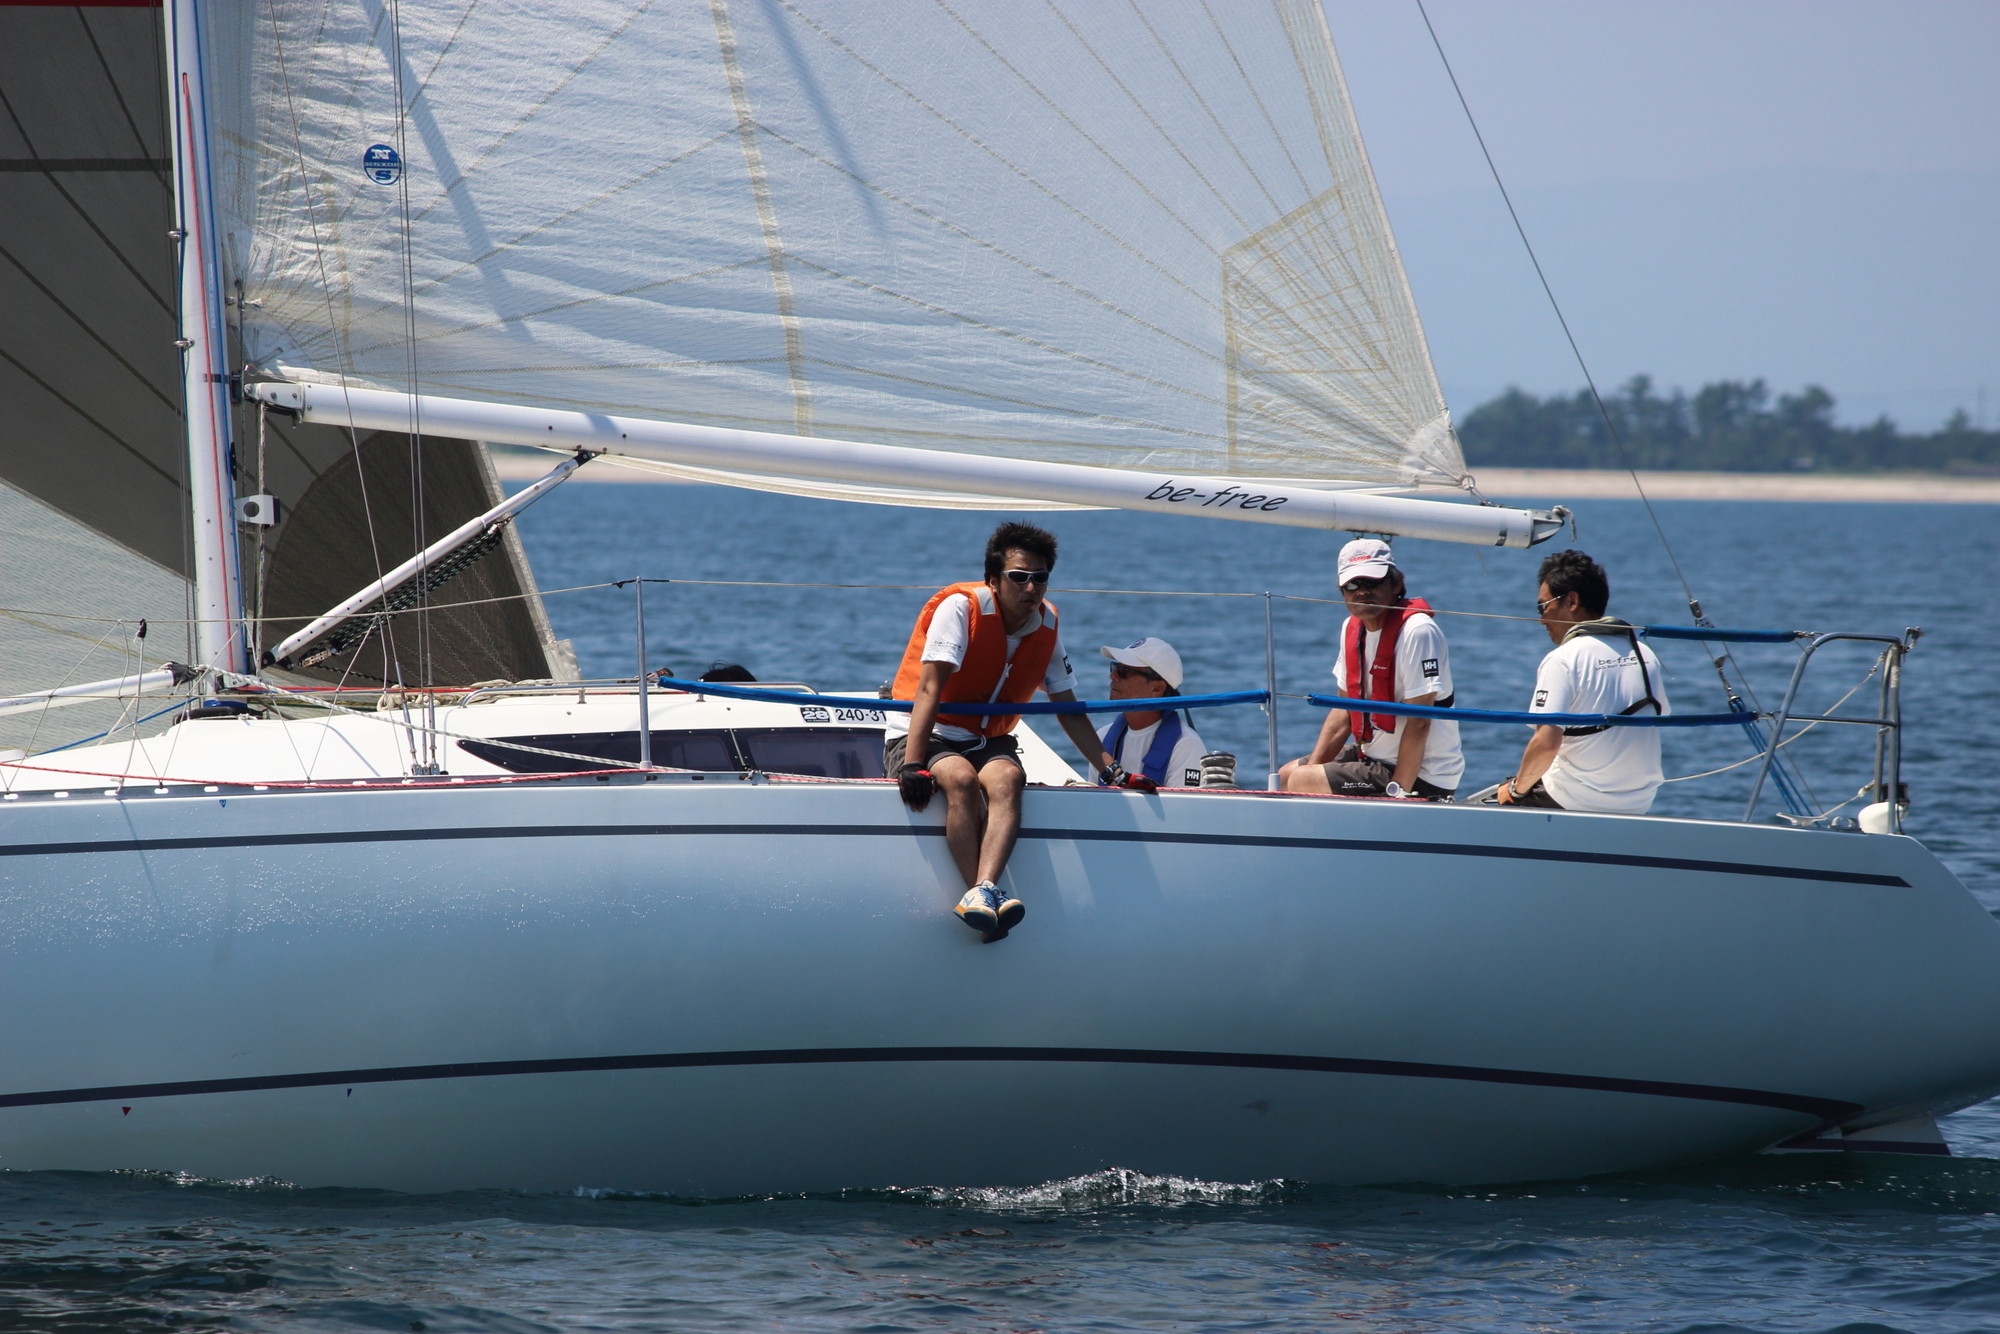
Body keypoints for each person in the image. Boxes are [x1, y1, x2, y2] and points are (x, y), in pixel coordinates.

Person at [886, 522, 1129, 942]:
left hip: (986, 739)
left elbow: (1068, 708)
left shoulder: (1047, 625)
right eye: (1019, 577)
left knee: (1009, 779)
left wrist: (1112, 770)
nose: (1031, 587)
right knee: (961, 780)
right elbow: (928, 689)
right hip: (923, 732)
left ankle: (983, 891)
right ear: (993, 579)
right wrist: (912, 764)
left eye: (1040, 578)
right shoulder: (960, 609)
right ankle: (979, 894)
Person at [1278, 537, 1462, 800]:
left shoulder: (1418, 631)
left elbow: (1420, 721)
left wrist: (1399, 793)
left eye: (1372, 582)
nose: (1362, 591)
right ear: (1342, 591)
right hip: (1374, 756)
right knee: (1288, 775)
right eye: (1352, 584)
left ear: (1396, 584)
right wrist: (1313, 767)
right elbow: (1344, 710)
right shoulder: (1350, 628)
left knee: (1303, 780)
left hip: (1424, 774)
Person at [1497, 549, 1671, 814]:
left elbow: (1546, 745)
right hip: (1638, 801)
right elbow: (1661, 715)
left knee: (1504, 795)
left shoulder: (1563, 659)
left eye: (1543, 606)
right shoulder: (1644, 653)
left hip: (1575, 799)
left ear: (1572, 601)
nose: (1541, 620)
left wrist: (1514, 790)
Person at [1098, 637, 1207, 789]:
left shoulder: (1186, 746)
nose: (1113, 676)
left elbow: (1181, 805)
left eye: (1124, 671)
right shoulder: (1101, 738)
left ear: (1157, 688)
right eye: (1115, 667)